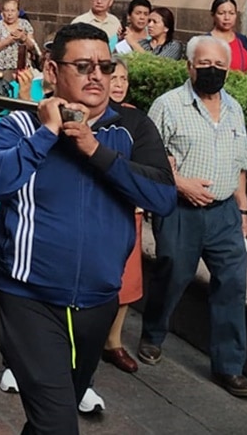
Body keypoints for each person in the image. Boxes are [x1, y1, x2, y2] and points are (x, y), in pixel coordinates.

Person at [0, 22, 177, 433]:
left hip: (98, 298)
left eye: (105, 67)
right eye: (84, 66)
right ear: (52, 70)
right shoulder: (21, 126)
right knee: (57, 424)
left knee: (57, 409)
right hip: (29, 297)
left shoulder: (132, 128)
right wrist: (49, 132)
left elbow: (162, 197)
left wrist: (94, 150)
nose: (97, 76)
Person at [138, 34, 247, 399]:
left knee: (233, 284)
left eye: (220, 66)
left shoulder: (234, 108)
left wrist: (242, 209)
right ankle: (153, 333)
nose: (212, 71)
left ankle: (229, 367)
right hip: (180, 210)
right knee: (174, 273)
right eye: (205, 64)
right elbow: (150, 162)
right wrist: (182, 184)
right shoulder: (168, 105)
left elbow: (242, 164)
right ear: (189, 66)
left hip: (224, 213)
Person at [99, 58, 147, 375]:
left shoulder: (136, 118)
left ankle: (113, 342)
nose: (118, 84)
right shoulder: (88, 114)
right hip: (97, 209)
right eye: (112, 77)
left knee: (128, 281)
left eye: (123, 78)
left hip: (131, 209)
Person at [0, 0, 39, 72]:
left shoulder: (25, 24)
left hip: (23, 68)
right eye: (7, 11)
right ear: (2, 13)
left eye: (12, 11)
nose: (9, 14)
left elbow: (32, 47)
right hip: (2, 68)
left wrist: (24, 38)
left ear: (18, 12)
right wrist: (7, 41)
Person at [208, 0, 247, 73]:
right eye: (221, 13)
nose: (227, 18)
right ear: (213, 15)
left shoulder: (242, 40)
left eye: (231, 13)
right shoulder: (206, 41)